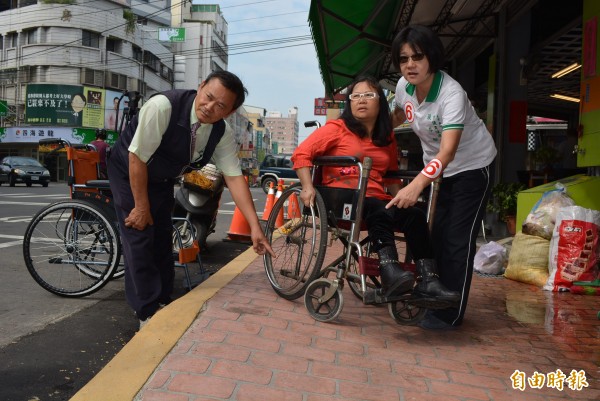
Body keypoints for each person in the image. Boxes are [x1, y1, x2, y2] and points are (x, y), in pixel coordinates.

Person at [107, 71, 274, 327]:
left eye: (220, 106)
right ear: (201, 86)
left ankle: (162, 300)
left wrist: (255, 226)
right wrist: (141, 206)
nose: (210, 107)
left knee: (163, 238)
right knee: (140, 236)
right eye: (208, 97)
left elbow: (234, 177)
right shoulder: (163, 106)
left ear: (229, 112)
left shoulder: (221, 132)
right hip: (130, 171)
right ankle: (146, 312)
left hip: (161, 178)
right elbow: (136, 158)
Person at [292, 75, 459, 304]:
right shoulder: (337, 128)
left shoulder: (386, 137)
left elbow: (390, 175)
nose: (361, 100)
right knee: (375, 205)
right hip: (340, 199)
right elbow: (301, 154)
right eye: (356, 96)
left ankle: (428, 281)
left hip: (374, 200)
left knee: (414, 215)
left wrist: (401, 197)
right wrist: (307, 187)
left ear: (380, 101)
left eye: (368, 95)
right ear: (349, 103)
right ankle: (389, 271)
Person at [388, 25, 497, 330]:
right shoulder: (402, 87)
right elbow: (398, 115)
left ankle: (449, 314)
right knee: (434, 235)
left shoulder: (452, 94)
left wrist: (416, 184)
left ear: (432, 58)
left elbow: (447, 152)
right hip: (437, 173)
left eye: (417, 57)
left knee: (456, 240)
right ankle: (433, 298)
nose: (410, 64)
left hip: (473, 169)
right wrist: (374, 131)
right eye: (404, 58)